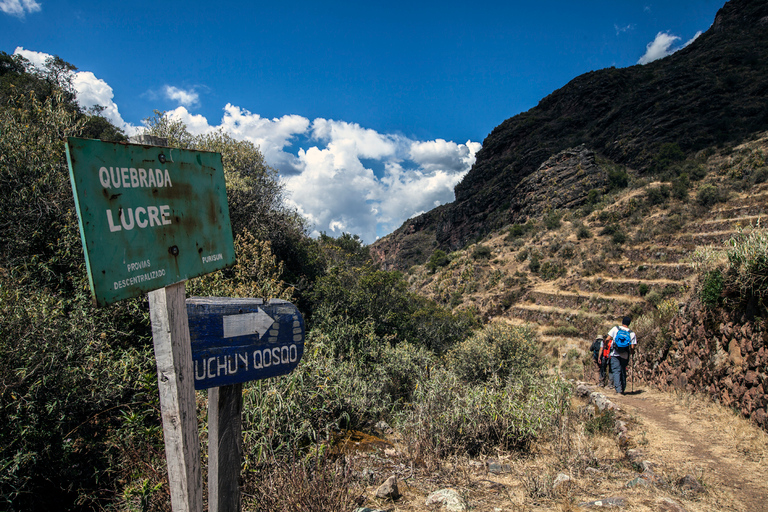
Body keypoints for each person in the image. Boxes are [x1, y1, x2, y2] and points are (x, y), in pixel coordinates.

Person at [605, 316, 637, 395]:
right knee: (623, 370)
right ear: (629, 323)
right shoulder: (631, 333)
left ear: (622, 322)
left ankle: (618, 390)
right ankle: (623, 388)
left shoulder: (615, 329)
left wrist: (606, 347)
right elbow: (632, 347)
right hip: (625, 354)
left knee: (616, 371)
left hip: (615, 353)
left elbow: (607, 339)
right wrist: (632, 352)